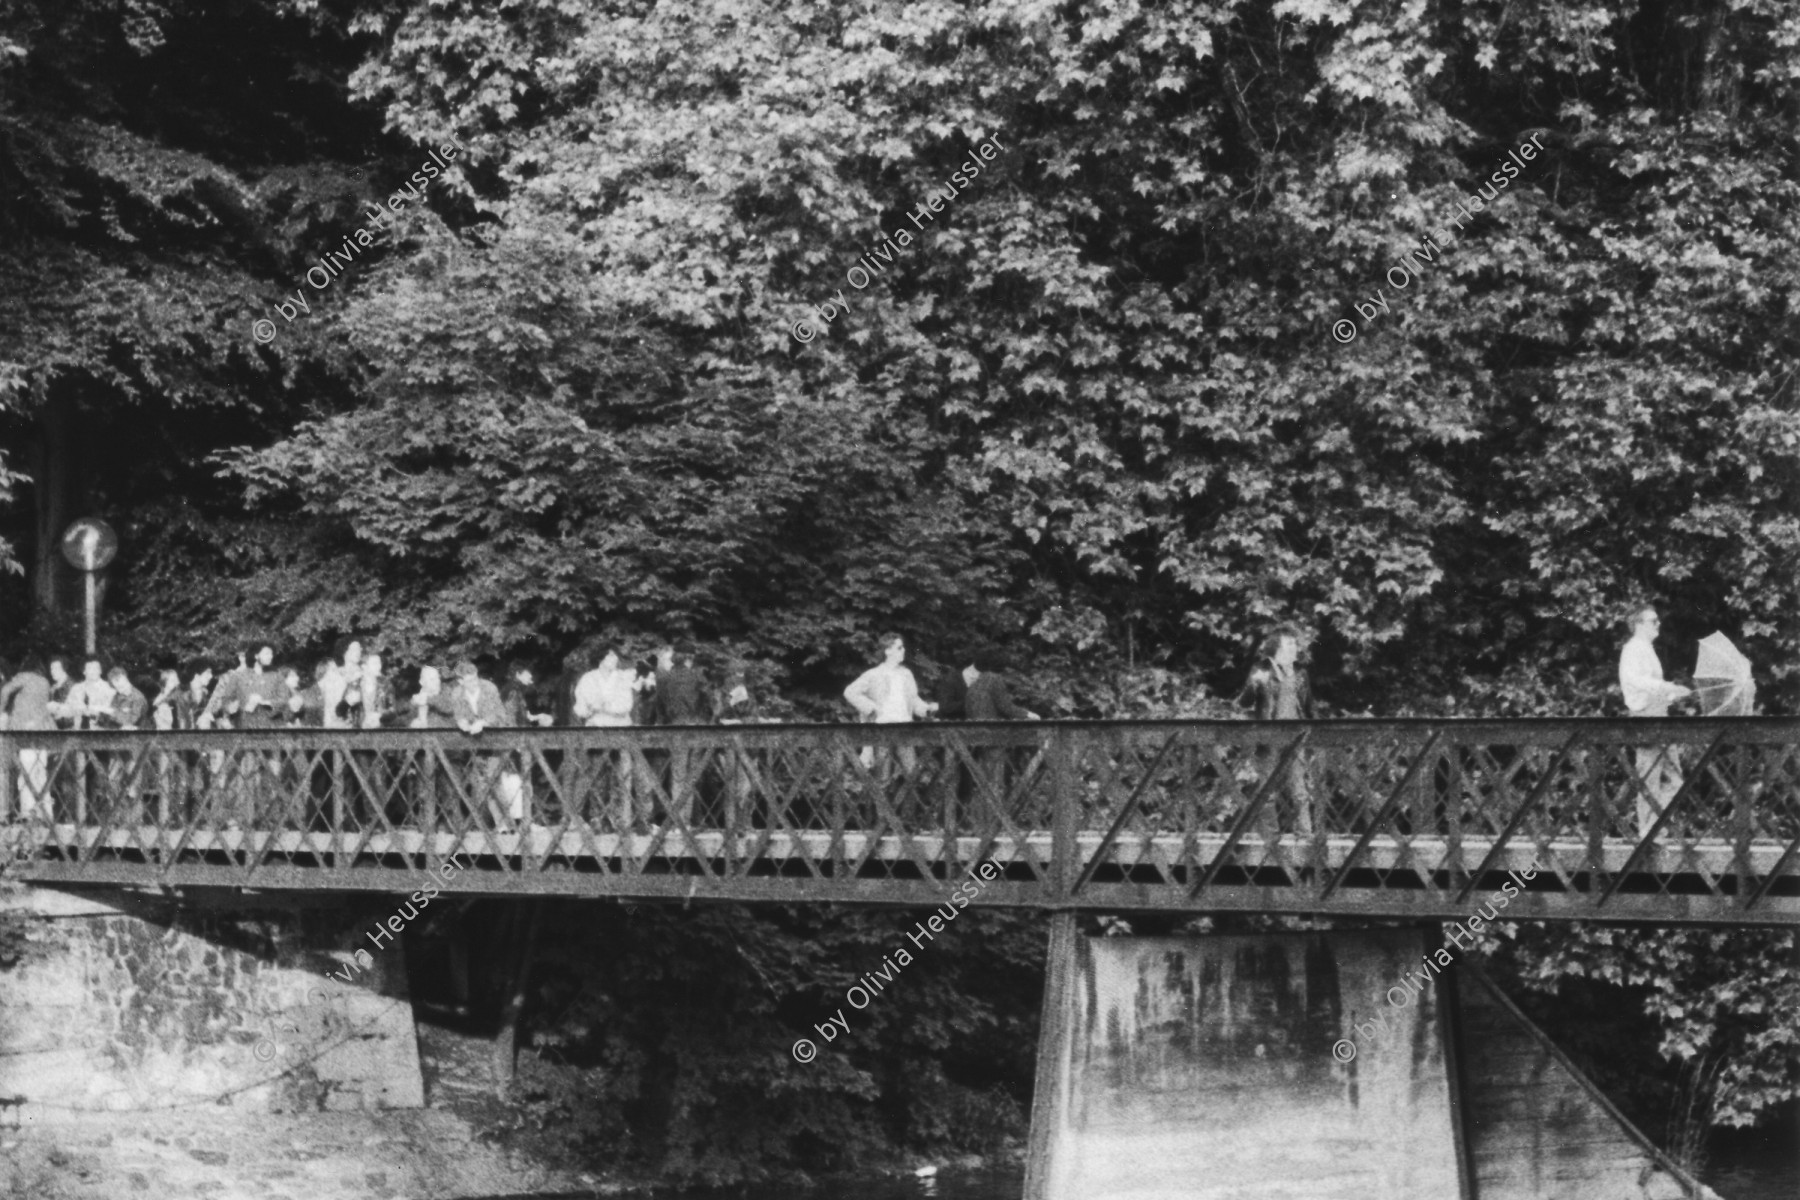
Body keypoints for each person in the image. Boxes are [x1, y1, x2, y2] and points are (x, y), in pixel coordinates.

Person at [1235, 624, 1316, 836]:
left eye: (1295, 644)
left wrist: (1315, 731)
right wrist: (1254, 685)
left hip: (1295, 736)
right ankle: (1270, 835)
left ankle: (1305, 833)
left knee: (1299, 790)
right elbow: (1244, 703)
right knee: (1266, 791)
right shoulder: (1261, 671)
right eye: (1289, 644)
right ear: (1277, 648)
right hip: (1269, 737)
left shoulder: (1300, 674)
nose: (1295, 648)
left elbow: (1309, 707)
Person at [1619, 605, 1693, 837]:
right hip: (1645, 719)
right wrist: (1666, 687)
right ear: (1639, 624)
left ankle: (1655, 827)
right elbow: (1635, 681)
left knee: (1675, 778)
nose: (1658, 624)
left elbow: (1651, 686)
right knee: (1649, 778)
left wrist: (1673, 693)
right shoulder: (1633, 649)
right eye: (1653, 621)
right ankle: (1648, 831)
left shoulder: (1647, 649)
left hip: (1660, 716)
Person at [843, 633, 936, 783]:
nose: (903, 650)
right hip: (882, 730)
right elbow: (850, 692)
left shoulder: (907, 674)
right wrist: (871, 708)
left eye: (903, 647)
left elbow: (913, 699)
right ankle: (881, 806)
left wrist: (926, 710)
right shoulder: (873, 674)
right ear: (887, 651)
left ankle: (907, 805)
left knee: (912, 774)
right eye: (899, 647)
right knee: (882, 778)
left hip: (905, 728)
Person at [574, 646, 646, 831]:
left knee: (619, 777)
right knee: (597, 776)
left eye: (615, 656)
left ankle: (617, 819)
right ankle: (597, 818)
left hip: (619, 732)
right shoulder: (588, 678)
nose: (614, 659)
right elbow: (581, 707)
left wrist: (600, 706)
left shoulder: (622, 678)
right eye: (610, 655)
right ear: (601, 658)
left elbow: (625, 705)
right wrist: (597, 706)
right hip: (597, 733)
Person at [649, 642, 708, 827]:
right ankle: (688, 822)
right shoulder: (697, 676)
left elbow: (659, 705)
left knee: (678, 776)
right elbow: (709, 702)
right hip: (696, 728)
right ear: (690, 658)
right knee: (692, 777)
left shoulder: (665, 677)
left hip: (674, 729)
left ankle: (678, 822)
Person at [1, 657, 56, 818]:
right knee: (41, 773)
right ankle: (45, 813)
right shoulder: (45, 682)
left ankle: (28, 813)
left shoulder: (25, 676)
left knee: (26, 773)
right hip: (43, 732)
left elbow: (5, 691)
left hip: (26, 732)